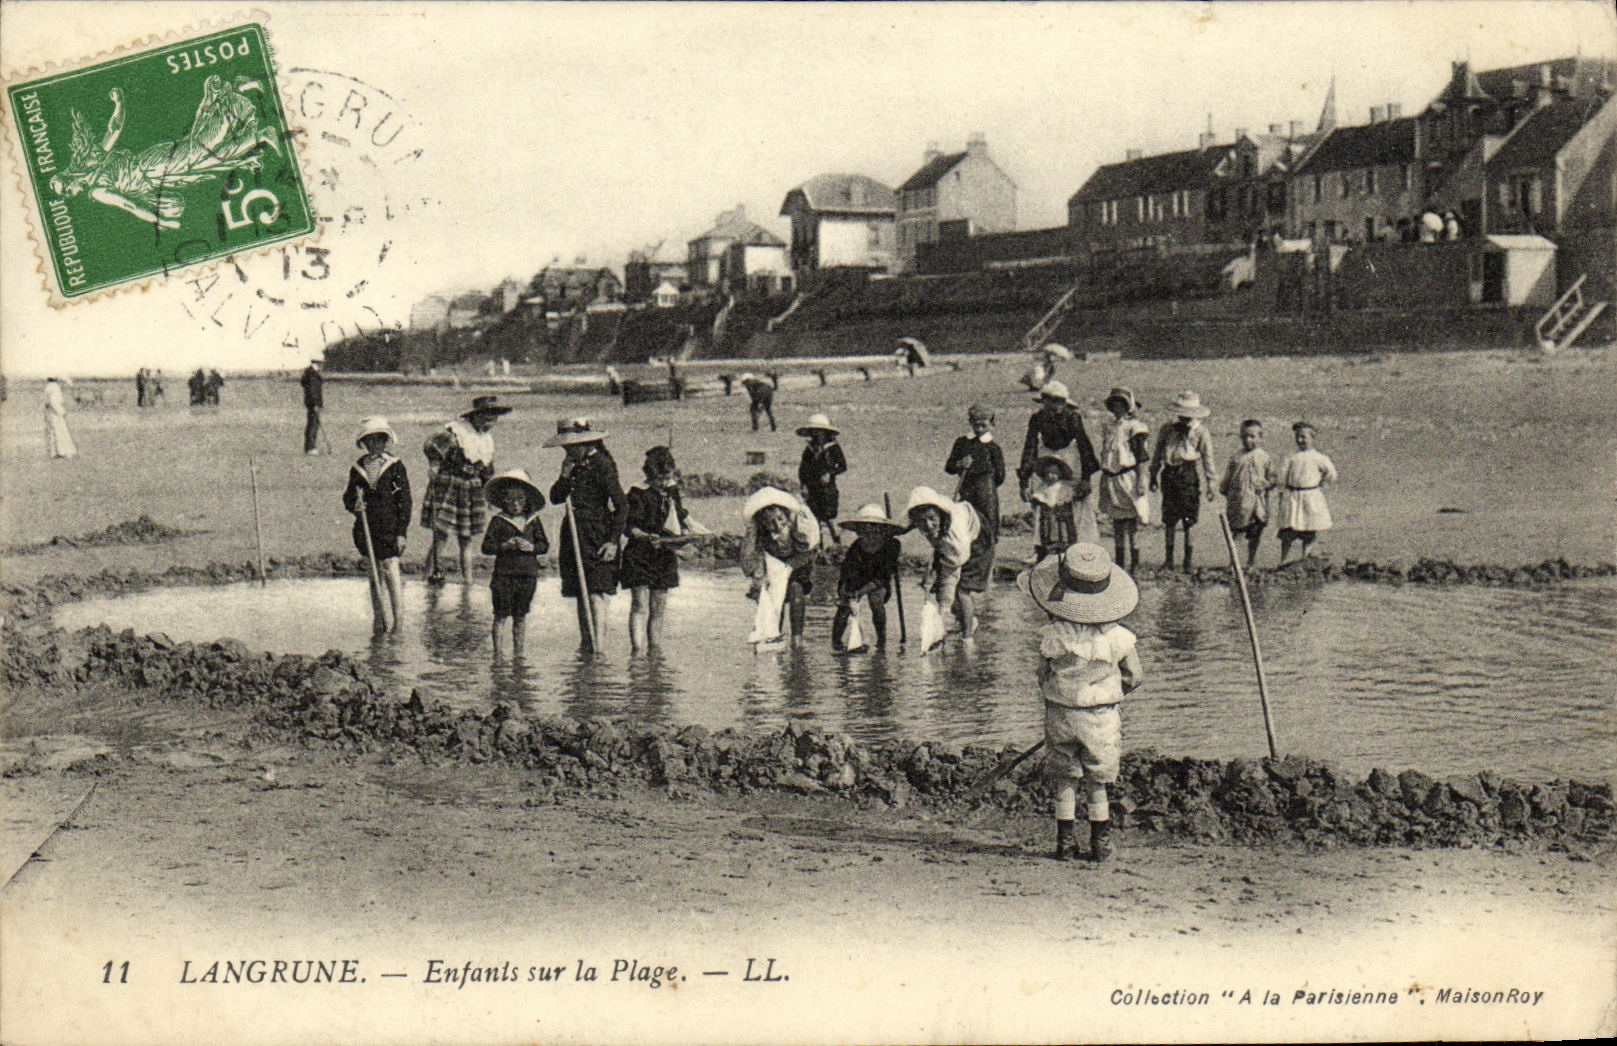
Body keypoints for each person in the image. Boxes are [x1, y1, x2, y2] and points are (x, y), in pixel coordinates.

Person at [1017, 542, 1143, 863]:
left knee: (1065, 777)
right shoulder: (1118, 637)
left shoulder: (1054, 634)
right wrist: (1112, 692)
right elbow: (1135, 675)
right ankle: (1099, 843)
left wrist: (1061, 691)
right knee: (1097, 780)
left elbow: (1042, 673)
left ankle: (1065, 843)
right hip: (1101, 714)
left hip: (1061, 713)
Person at [546, 418, 626, 652]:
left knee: (596, 592)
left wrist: (613, 542)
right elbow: (555, 498)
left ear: (586, 443)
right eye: (565, 447)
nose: (568, 450)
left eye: (572, 446)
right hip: (573, 533)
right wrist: (563, 475)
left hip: (598, 533)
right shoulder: (571, 465)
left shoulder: (602, 464)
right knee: (581, 593)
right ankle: (587, 644)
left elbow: (622, 505)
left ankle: (599, 648)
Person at [421, 395, 509, 584]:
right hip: (450, 485)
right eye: (486, 417)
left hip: (472, 489)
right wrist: (434, 465)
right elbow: (431, 445)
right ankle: (426, 576)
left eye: (493, 418)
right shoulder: (456, 432)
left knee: (466, 537)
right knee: (441, 534)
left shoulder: (486, 439)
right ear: (475, 416)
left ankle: (467, 581)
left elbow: (486, 469)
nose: (490, 422)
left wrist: (490, 493)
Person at [342, 417, 411, 634]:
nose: (374, 446)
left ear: (385, 441)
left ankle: (398, 620)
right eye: (369, 441)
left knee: (391, 571)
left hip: (389, 529)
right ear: (364, 443)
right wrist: (355, 504)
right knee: (374, 574)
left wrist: (402, 533)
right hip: (367, 529)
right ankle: (379, 617)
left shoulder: (394, 467)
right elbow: (348, 497)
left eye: (379, 440)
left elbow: (405, 501)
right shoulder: (358, 468)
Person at [620, 445, 691, 655]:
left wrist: (696, 532)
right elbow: (629, 527)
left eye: (668, 477)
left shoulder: (672, 490)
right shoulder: (637, 493)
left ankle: (655, 651)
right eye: (661, 478)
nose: (665, 482)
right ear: (651, 475)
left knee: (658, 606)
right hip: (639, 554)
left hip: (664, 554)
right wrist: (645, 536)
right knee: (640, 604)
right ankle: (637, 649)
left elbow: (680, 516)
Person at [1018, 380, 1100, 545]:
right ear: (1044, 401)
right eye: (1051, 401)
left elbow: (1084, 445)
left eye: (1060, 402)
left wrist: (1086, 479)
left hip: (1069, 458)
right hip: (1046, 459)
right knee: (1044, 501)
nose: (1056, 406)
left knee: (1075, 502)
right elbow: (1030, 446)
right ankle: (1044, 544)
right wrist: (1024, 481)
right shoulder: (1037, 418)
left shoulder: (1072, 417)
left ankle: (1079, 544)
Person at [481, 469, 548, 660]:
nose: (515, 504)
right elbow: (486, 547)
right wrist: (504, 545)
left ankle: (519, 653)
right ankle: (498, 654)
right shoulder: (499, 521)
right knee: (501, 615)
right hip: (504, 575)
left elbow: (544, 545)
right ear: (503, 501)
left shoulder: (533, 521)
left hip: (527, 575)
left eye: (520, 499)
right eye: (510, 499)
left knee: (520, 616)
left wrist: (532, 547)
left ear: (527, 500)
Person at [1149, 391, 1217, 571]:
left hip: (1188, 475)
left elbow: (1208, 459)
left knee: (1189, 519)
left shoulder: (1201, 432)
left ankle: (1188, 561)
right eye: (1182, 414)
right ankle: (1169, 560)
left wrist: (1211, 484)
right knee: (1169, 519)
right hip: (1169, 475)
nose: (1185, 418)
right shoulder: (1167, 429)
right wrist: (1153, 474)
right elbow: (1157, 453)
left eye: (1189, 415)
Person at [906, 486, 983, 640]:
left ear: (941, 515)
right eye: (921, 521)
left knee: (961, 590)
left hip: (977, 541)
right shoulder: (931, 523)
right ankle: (962, 620)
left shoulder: (955, 536)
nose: (928, 525)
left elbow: (951, 572)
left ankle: (968, 635)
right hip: (951, 547)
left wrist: (943, 608)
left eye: (932, 518)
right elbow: (907, 525)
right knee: (941, 586)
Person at [742, 486, 817, 644]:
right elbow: (754, 557)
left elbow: (808, 550)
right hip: (773, 563)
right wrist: (760, 579)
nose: (776, 525)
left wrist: (788, 568)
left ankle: (797, 639)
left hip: (798, 560)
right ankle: (774, 634)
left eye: (780, 519)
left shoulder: (799, 522)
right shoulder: (757, 532)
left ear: (785, 514)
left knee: (796, 590)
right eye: (770, 522)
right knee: (774, 597)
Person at [831, 503, 904, 652]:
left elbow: (882, 578)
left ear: (883, 531)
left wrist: (862, 592)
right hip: (856, 579)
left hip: (878, 582)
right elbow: (846, 573)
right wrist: (846, 593)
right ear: (858, 532)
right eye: (865, 531)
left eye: (876, 530)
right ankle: (836, 642)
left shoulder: (892, 546)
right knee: (844, 605)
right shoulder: (855, 548)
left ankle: (881, 642)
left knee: (876, 602)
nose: (871, 535)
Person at [1096, 387, 1152, 572]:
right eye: (1114, 404)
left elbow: (1141, 456)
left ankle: (1135, 564)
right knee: (1117, 521)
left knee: (1132, 520)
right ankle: (1120, 562)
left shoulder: (1135, 427)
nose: (1118, 407)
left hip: (1128, 477)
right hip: (1111, 479)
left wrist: (1142, 479)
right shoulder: (1109, 426)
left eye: (1121, 404)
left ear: (1128, 407)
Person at [944, 403, 1006, 558]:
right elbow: (949, 467)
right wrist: (960, 464)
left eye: (983, 425)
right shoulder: (962, 443)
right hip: (967, 489)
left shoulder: (993, 448)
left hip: (986, 493)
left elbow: (1000, 476)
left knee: (987, 524)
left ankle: (986, 559)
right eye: (975, 425)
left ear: (992, 424)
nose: (979, 429)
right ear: (970, 423)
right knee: (965, 522)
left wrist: (986, 483)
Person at [1276, 421, 1338, 564]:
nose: (1300, 440)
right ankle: (1283, 560)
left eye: (1304, 437)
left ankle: (1306, 558)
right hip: (1294, 496)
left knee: (1310, 529)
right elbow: (1282, 477)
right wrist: (1283, 491)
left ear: (1312, 437)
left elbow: (1331, 473)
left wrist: (1322, 483)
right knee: (1288, 530)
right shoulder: (1291, 457)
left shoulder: (1319, 457)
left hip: (1311, 496)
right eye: (1297, 437)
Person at [1220, 419, 1277, 570]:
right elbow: (1227, 479)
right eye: (1244, 436)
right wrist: (1226, 490)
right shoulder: (1236, 457)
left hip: (1258, 503)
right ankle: (1234, 563)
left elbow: (1273, 478)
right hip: (1239, 501)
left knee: (1255, 533)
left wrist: (1266, 484)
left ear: (1260, 437)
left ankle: (1251, 562)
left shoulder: (1264, 457)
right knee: (1237, 533)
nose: (1248, 440)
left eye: (1252, 436)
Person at [796, 413, 847, 546]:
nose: (817, 434)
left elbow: (842, 466)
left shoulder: (833, 448)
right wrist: (803, 485)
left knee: (829, 519)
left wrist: (830, 473)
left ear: (825, 432)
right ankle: (819, 547)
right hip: (813, 489)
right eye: (814, 431)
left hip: (827, 489)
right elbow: (803, 469)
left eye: (819, 431)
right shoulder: (810, 449)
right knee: (815, 520)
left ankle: (837, 545)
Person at [1029, 458, 1077, 561]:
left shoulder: (1063, 487)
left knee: (1063, 531)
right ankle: (1046, 551)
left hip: (1061, 514)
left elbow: (1069, 498)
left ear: (1060, 474)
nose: (1051, 476)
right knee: (1046, 530)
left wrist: (1063, 504)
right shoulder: (1043, 487)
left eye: (1054, 473)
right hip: (1047, 514)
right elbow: (1038, 497)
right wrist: (1037, 500)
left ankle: (1064, 550)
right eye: (1048, 473)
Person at [42, 377, 77, 459]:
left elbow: (46, 402)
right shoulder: (55, 387)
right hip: (55, 414)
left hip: (49, 413)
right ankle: (64, 452)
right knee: (61, 432)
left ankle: (53, 452)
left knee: (52, 432)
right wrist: (62, 412)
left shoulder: (48, 387)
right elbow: (53, 402)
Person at [300, 359, 323, 454]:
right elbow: (313, 391)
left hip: (311, 403)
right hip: (313, 404)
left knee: (312, 424)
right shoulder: (313, 374)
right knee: (313, 425)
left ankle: (309, 446)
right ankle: (310, 447)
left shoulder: (309, 373)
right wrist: (315, 404)